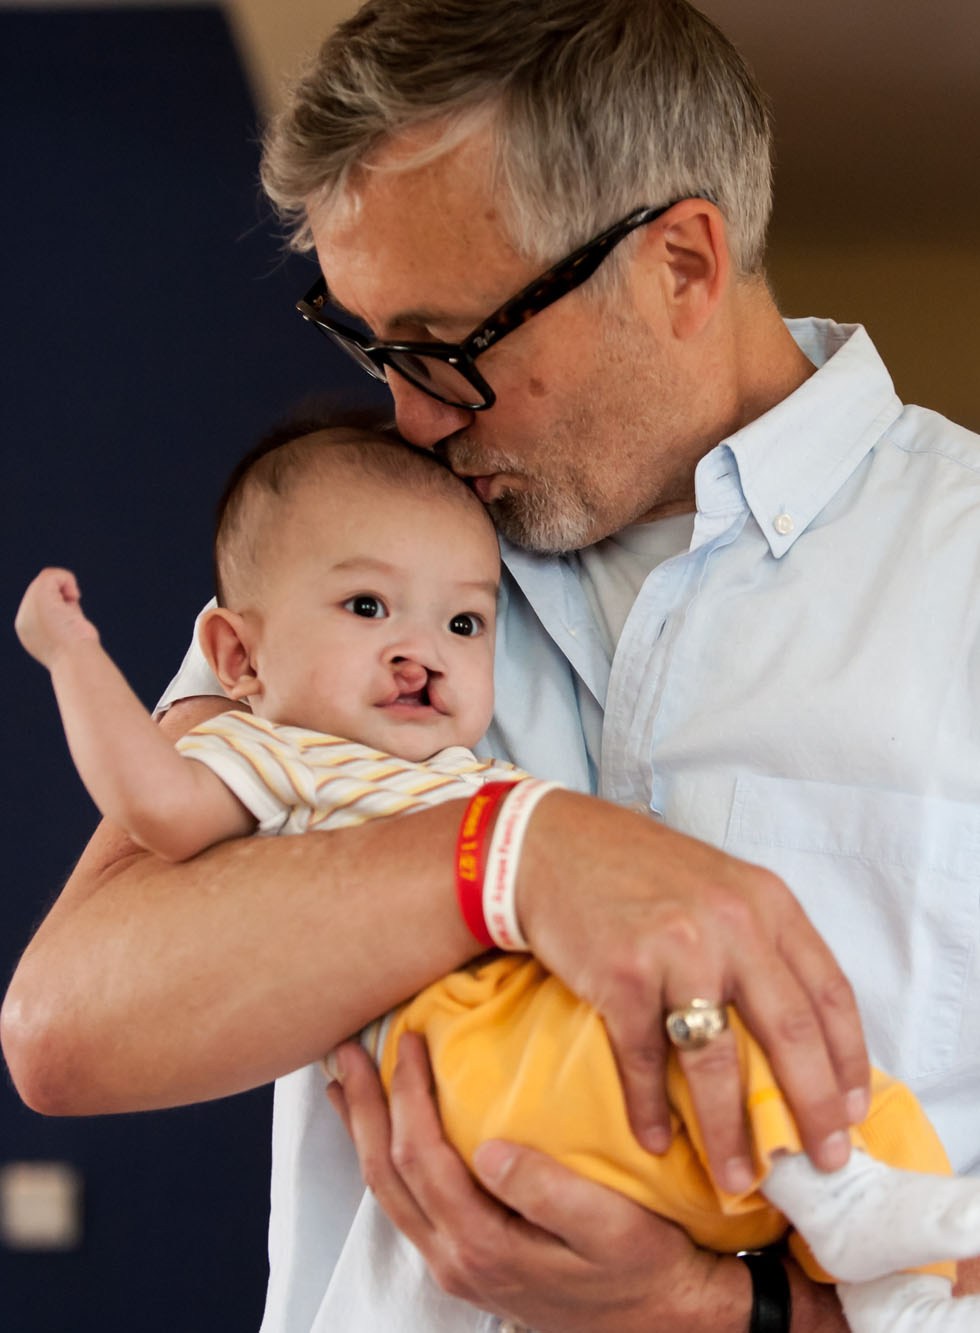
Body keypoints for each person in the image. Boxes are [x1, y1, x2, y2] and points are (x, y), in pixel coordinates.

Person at [4, 1, 980, 1329]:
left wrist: (725, 1313)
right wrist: (510, 859)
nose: (407, 418)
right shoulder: (360, 567)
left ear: (683, 264)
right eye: (367, 346)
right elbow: (71, 1026)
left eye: (447, 346)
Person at [15, 424, 980, 1333]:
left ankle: (869, 1248)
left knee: (829, 1086)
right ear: (239, 657)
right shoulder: (287, 738)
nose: (420, 648)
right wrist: (73, 658)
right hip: (470, 1049)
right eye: (367, 609)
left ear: (680, 260)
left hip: (578, 1052)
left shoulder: (950, 540)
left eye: (468, 622)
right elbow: (154, 820)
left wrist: (739, 1310)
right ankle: (843, 1215)